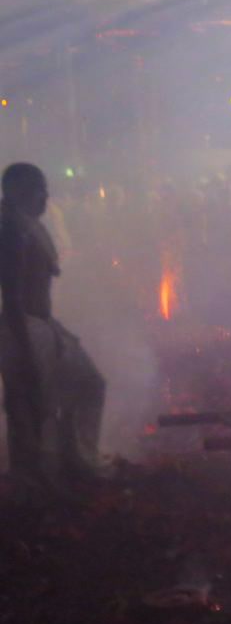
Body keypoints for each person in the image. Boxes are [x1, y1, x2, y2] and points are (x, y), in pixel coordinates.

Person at [0, 163, 106, 490]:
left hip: (41, 326)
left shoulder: (25, 225)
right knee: (30, 406)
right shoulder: (11, 229)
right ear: (18, 191)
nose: (46, 196)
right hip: (23, 328)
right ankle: (33, 484)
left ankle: (74, 461)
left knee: (86, 383)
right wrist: (25, 345)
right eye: (39, 189)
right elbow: (13, 293)